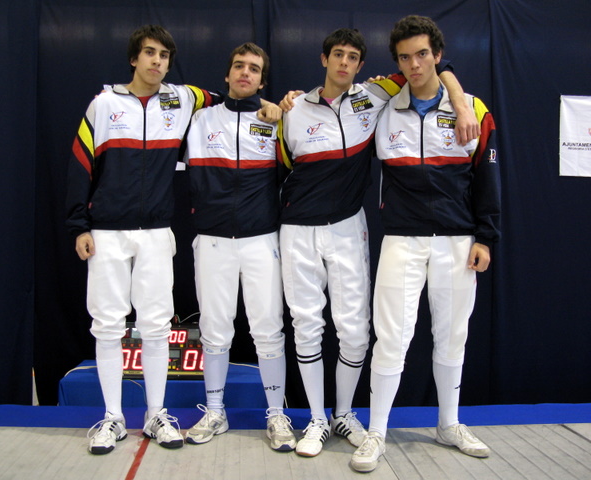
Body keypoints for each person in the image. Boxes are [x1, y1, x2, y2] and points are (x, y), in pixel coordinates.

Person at [278, 27, 479, 457]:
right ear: (323, 59)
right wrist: (276, 106)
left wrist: (460, 102)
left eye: (352, 57)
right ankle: (316, 418)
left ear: (361, 65)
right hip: (298, 229)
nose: (344, 63)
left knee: (355, 331)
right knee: (306, 326)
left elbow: (433, 68)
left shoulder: (375, 97)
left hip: (349, 226)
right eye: (337, 55)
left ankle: (344, 414)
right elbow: (281, 167)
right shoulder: (293, 110)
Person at [350, 15, 501, 473]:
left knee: (452, 337)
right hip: (402, 240)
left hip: (457, 241)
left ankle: (448, 424)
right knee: (391, 339)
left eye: (422, 54)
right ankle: (376, 432)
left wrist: (486, 237)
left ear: (438, 55)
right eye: (404, 57)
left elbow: (487, 178)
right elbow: (339, 100)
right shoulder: (382, 107)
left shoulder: (472, 109)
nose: (414, 65)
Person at [65, 24, 223, 455]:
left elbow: (229, 100)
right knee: (107, 326)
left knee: (156, 326)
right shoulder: (103, 105)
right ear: (134, 59)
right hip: (107, 233)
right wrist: (79, 225)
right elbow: (79, 166)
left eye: (164, 55)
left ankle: (156, 414)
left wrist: (267, 105)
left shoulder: (183, 98)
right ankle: (113, 418)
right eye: (150, 53)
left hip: (155, 233)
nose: (157, 61)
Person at [182, 42, 296, 452]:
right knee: (215, 329)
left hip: (262, 239)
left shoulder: (276, 121)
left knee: (268, 330)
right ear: (228, 74)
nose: (245, 73)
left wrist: (280, 108)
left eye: (254, 68)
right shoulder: (199, 119)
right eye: (239, 66)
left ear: (262, 80)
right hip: (212, 240)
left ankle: (276, 414)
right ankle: (215, 412)